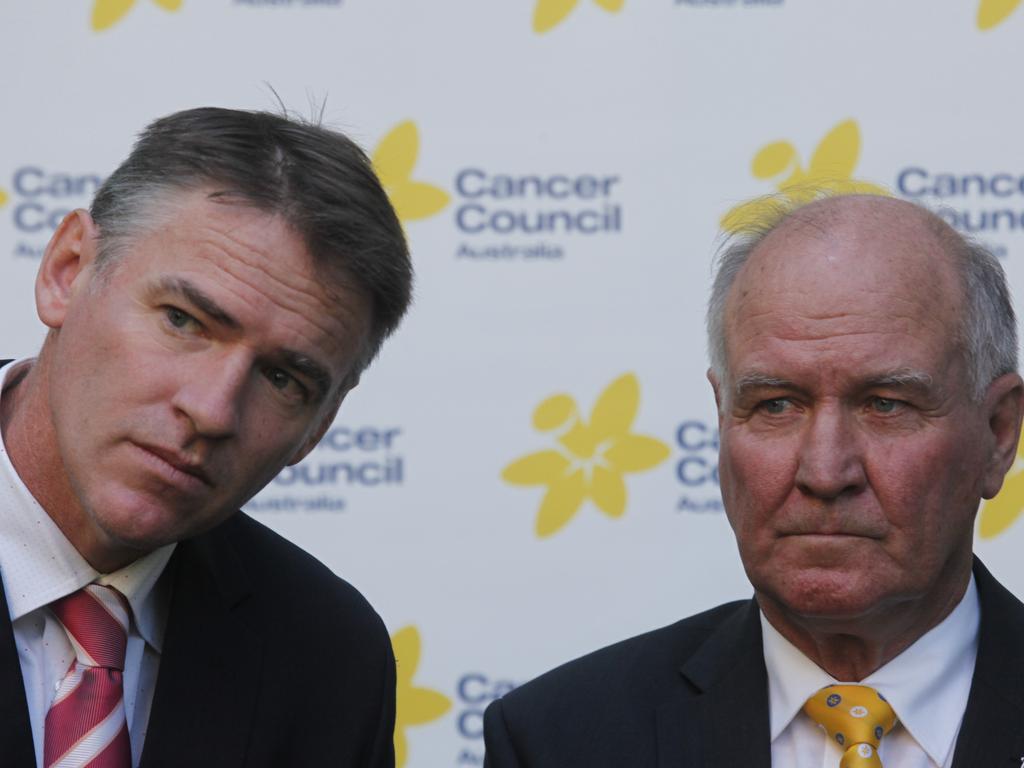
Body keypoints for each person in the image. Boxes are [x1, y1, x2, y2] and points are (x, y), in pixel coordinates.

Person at [483, 193, 1024, 767]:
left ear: (997, 434)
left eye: (885, 405)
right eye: (776, 405)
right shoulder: (559, 741)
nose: (824, 471)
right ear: (722, 419)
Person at [0, 107, 411, 767]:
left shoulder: (328, 658)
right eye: (184, 321)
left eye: (284, 379)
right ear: (67, 271)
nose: (214, 410)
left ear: (320, 426)